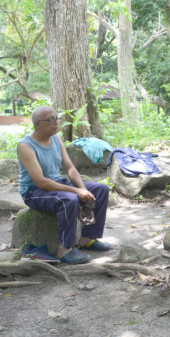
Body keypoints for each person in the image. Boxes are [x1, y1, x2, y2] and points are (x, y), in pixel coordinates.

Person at [17, 106, 111, 264]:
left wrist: (82, 189)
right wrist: (75, 191)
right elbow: (40, 181)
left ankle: (86, 239)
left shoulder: (55, 138)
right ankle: (65, 249)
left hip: (57, 183)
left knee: (101, 190)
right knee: (69, 199)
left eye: (56, 119)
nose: (55, 123)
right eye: (50, 120)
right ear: (37, 124)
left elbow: (70, 167)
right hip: (34, 191)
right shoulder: (25, 146)